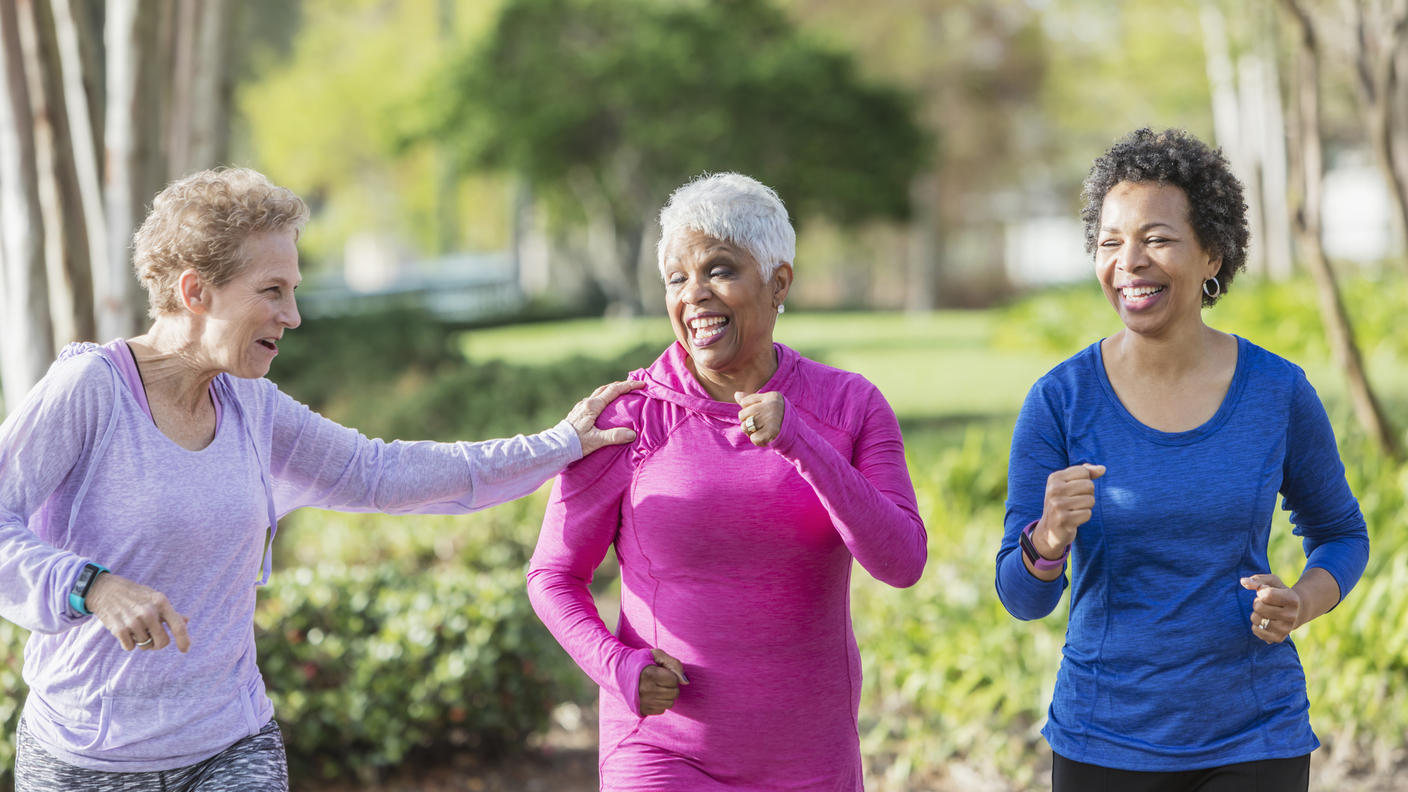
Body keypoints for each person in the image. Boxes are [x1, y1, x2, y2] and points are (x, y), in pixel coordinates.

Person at [0, 167, 642, 791]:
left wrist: (558, 444)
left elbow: (380, 472)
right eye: (272, 291)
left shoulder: (251, 405)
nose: (294, 316)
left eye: (294, 290)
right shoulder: (91, 390)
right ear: (196, 292)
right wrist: (90, 586)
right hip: (87, 755)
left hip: (228, 743)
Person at [995, 128, 1370, 791]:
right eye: (1110, 242)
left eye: (1157, 239)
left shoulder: (1277, 392)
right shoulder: (1060, 400)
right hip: (1103, 740)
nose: (1129, 261)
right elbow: (1023, 598)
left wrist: (1302, 601)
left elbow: (1341, 534)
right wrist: (1047, 539)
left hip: (1255, 735)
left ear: (1212, 256)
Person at [527, 172, 928, 790]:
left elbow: (901, 561)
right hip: (662, 755)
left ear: (778, 283)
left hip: (809, 759)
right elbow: (552, 574)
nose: (694, 296)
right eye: (676, 279)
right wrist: (618, 666)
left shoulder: (849, 406)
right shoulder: (628, 416)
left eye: (719, 270)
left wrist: (801, 442)